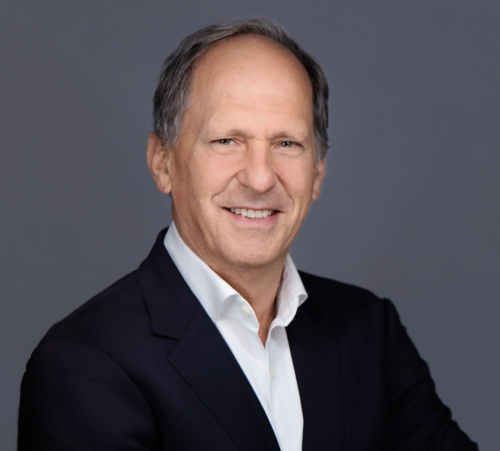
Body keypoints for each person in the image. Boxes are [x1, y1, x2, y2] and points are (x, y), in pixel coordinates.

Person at [18, 18, 478, 451]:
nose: (260, 178)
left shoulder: (369, 332)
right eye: (226, 141)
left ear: (317, 174)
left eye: (287, 144)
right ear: (163, 163)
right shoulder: (84, 364)